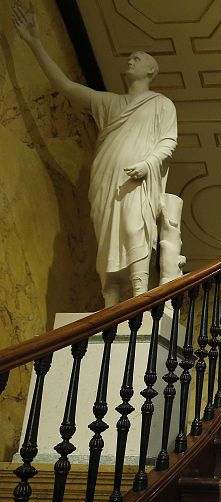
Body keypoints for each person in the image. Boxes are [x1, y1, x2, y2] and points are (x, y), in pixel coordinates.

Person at [13, 3, 178, 307]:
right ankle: (109, 303)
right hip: (106, 179)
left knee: (134, 227)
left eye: (138, 59)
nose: (131, 59)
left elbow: (168, 142)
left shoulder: (161, 104)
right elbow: (65, 86)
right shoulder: (109, 103)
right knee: (106, 242)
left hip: (137, 177)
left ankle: (140, 295)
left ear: (151, 71)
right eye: (130, 57)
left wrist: (147, 164)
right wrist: (34, 42)